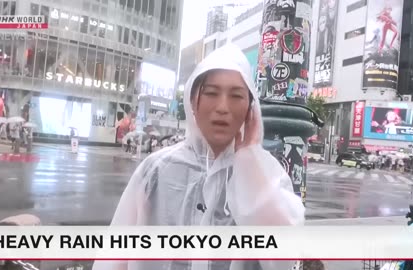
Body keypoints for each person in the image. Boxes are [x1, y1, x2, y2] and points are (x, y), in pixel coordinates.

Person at [92, 44, 305, 270]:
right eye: (211, 93)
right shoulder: (156, 170)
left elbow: (283, 256)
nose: (223, 107)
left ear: (250, 109)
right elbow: (115, 254)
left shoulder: (267, 174)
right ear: (193, 101)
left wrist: (249, 164)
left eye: (236, 96)